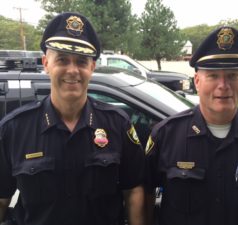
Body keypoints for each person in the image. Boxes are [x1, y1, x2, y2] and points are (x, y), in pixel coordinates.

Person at [144, 26, 238, 225]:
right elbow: (145, 200)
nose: (223, 85)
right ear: (197, 81)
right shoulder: (166, 136)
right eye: (213, 76)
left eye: (233, 75)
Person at [0, 12, 145, 225]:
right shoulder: (14, 129)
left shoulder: (117, 124)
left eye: (81, 61)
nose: (72, 70)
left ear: (92, 68)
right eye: (62, 60)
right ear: (46, 64)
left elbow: (134, 191)